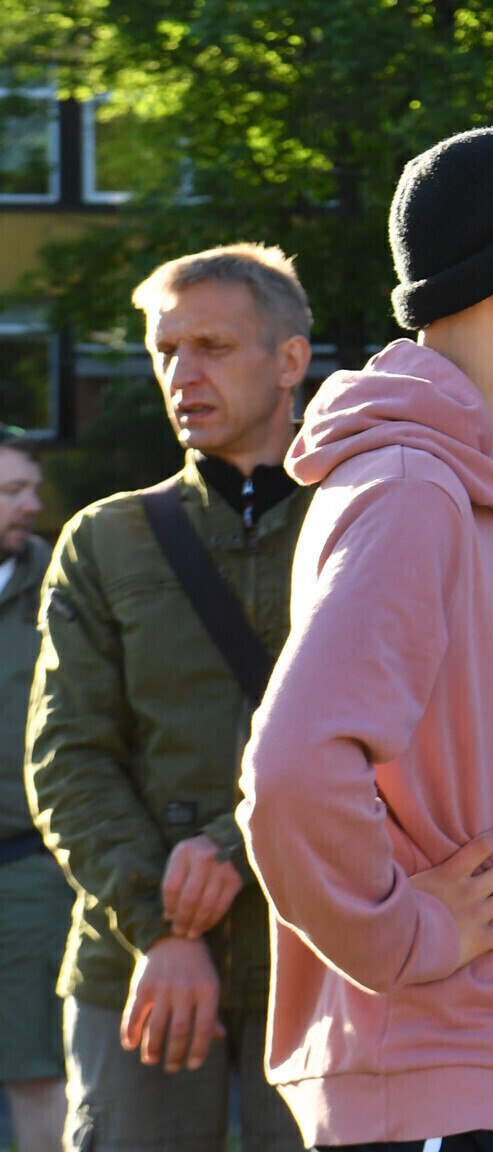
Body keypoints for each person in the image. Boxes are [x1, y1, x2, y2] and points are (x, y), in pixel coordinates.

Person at [236, 126, 493, 1151]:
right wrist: (410, 935)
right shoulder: (413, 488)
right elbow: (291, 771)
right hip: (438, 1074)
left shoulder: (465, 478)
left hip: (477, 1070)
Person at [25, 244, 315, 1152]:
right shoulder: (105, 540)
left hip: (321, 955)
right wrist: (163, 930)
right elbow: (67, 757)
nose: (182, 373)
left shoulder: (366, 518)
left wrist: (228, 846)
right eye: (165, 351)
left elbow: (399, 737)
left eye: (213, 346)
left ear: (290, 360)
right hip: (138, 966)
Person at [0, 430, 65, 1152]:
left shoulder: (61, 587)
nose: (31, 505)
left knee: (37, 1074)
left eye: (32, 489)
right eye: (12, 491)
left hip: (25, 874)